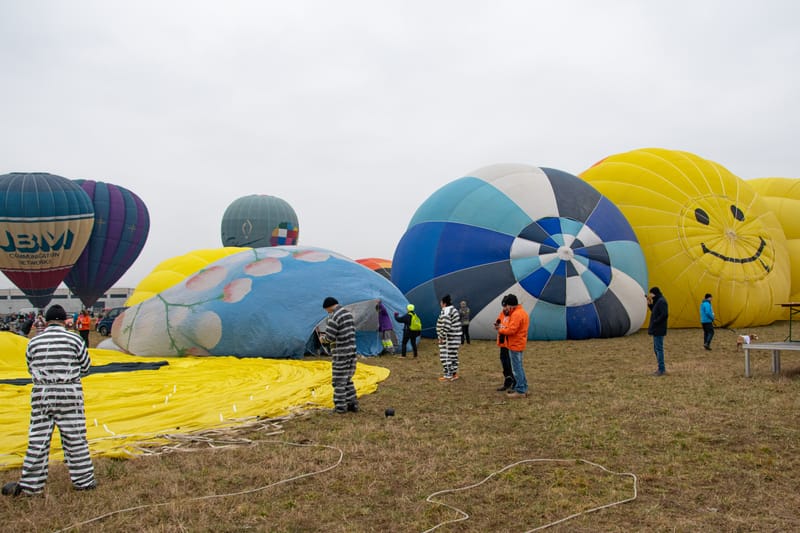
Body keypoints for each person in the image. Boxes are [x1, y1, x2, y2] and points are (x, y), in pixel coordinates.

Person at [2, 304, 96, 497]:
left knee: (38, 440)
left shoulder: (34, 342)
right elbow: (86, 366)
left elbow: (30, 368)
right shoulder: (75, 339)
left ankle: (30, 486)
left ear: (45, 320)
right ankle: (84, 481)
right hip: (69, 393)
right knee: (75, 438)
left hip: (42, 393)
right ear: (64, 321)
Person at [318, 297, 359, 414]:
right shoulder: (348, 314)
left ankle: (340, 407)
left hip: (341, 353)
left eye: (326, 310)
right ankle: (352, 404)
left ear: (328, 307)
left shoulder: (334, 317)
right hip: (352, 351)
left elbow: (330, 337)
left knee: (339, 381)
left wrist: (322, 339)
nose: (327, 312)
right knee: (347, 379)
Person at [495, 294, 530, 398]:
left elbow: (511, 330)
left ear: (510, 305)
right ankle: (523, 387)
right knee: (519, 367)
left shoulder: (516, 314)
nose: (506, 309)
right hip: (518, 343)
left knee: (516, 368)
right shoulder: (522, 312)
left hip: (515, 344)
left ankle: (520, 390)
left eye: (507, 306)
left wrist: (500, 329)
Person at [435, 294, 461, 381]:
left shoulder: (446, 310)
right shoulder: (453, 310)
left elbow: (446, 324)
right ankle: (454, 374)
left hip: (448, 339)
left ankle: (447, 375)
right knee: (453, 356)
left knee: (445, 356)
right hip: (455, 338)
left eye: (441, 302)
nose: (440, 304)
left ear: (444, 303)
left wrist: (441, 336)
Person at [495, 296, 516, 391]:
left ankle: (514, 381)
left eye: (505, 306)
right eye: (503, 306)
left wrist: (502, 329)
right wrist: (497, 325)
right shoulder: (502, 314)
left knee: (510, 363)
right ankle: (507, 380)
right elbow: (499, 322)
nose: (504, 309)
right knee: (504, 362)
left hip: (509, 344)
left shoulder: (513, 315)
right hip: (502, 343)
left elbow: (511, 329)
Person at [647, 287, 669, 376]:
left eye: (651, 293)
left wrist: (656, 322)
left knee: (659, 349)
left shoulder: (661, 301)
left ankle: (661, 369)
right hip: (657, 329)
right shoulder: (658, 301)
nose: (650, 295)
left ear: (654, 293)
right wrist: (649, 304)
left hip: (659, 329)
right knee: (656, 349)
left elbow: (664, 314)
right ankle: (660, 368)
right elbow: (655, 311)